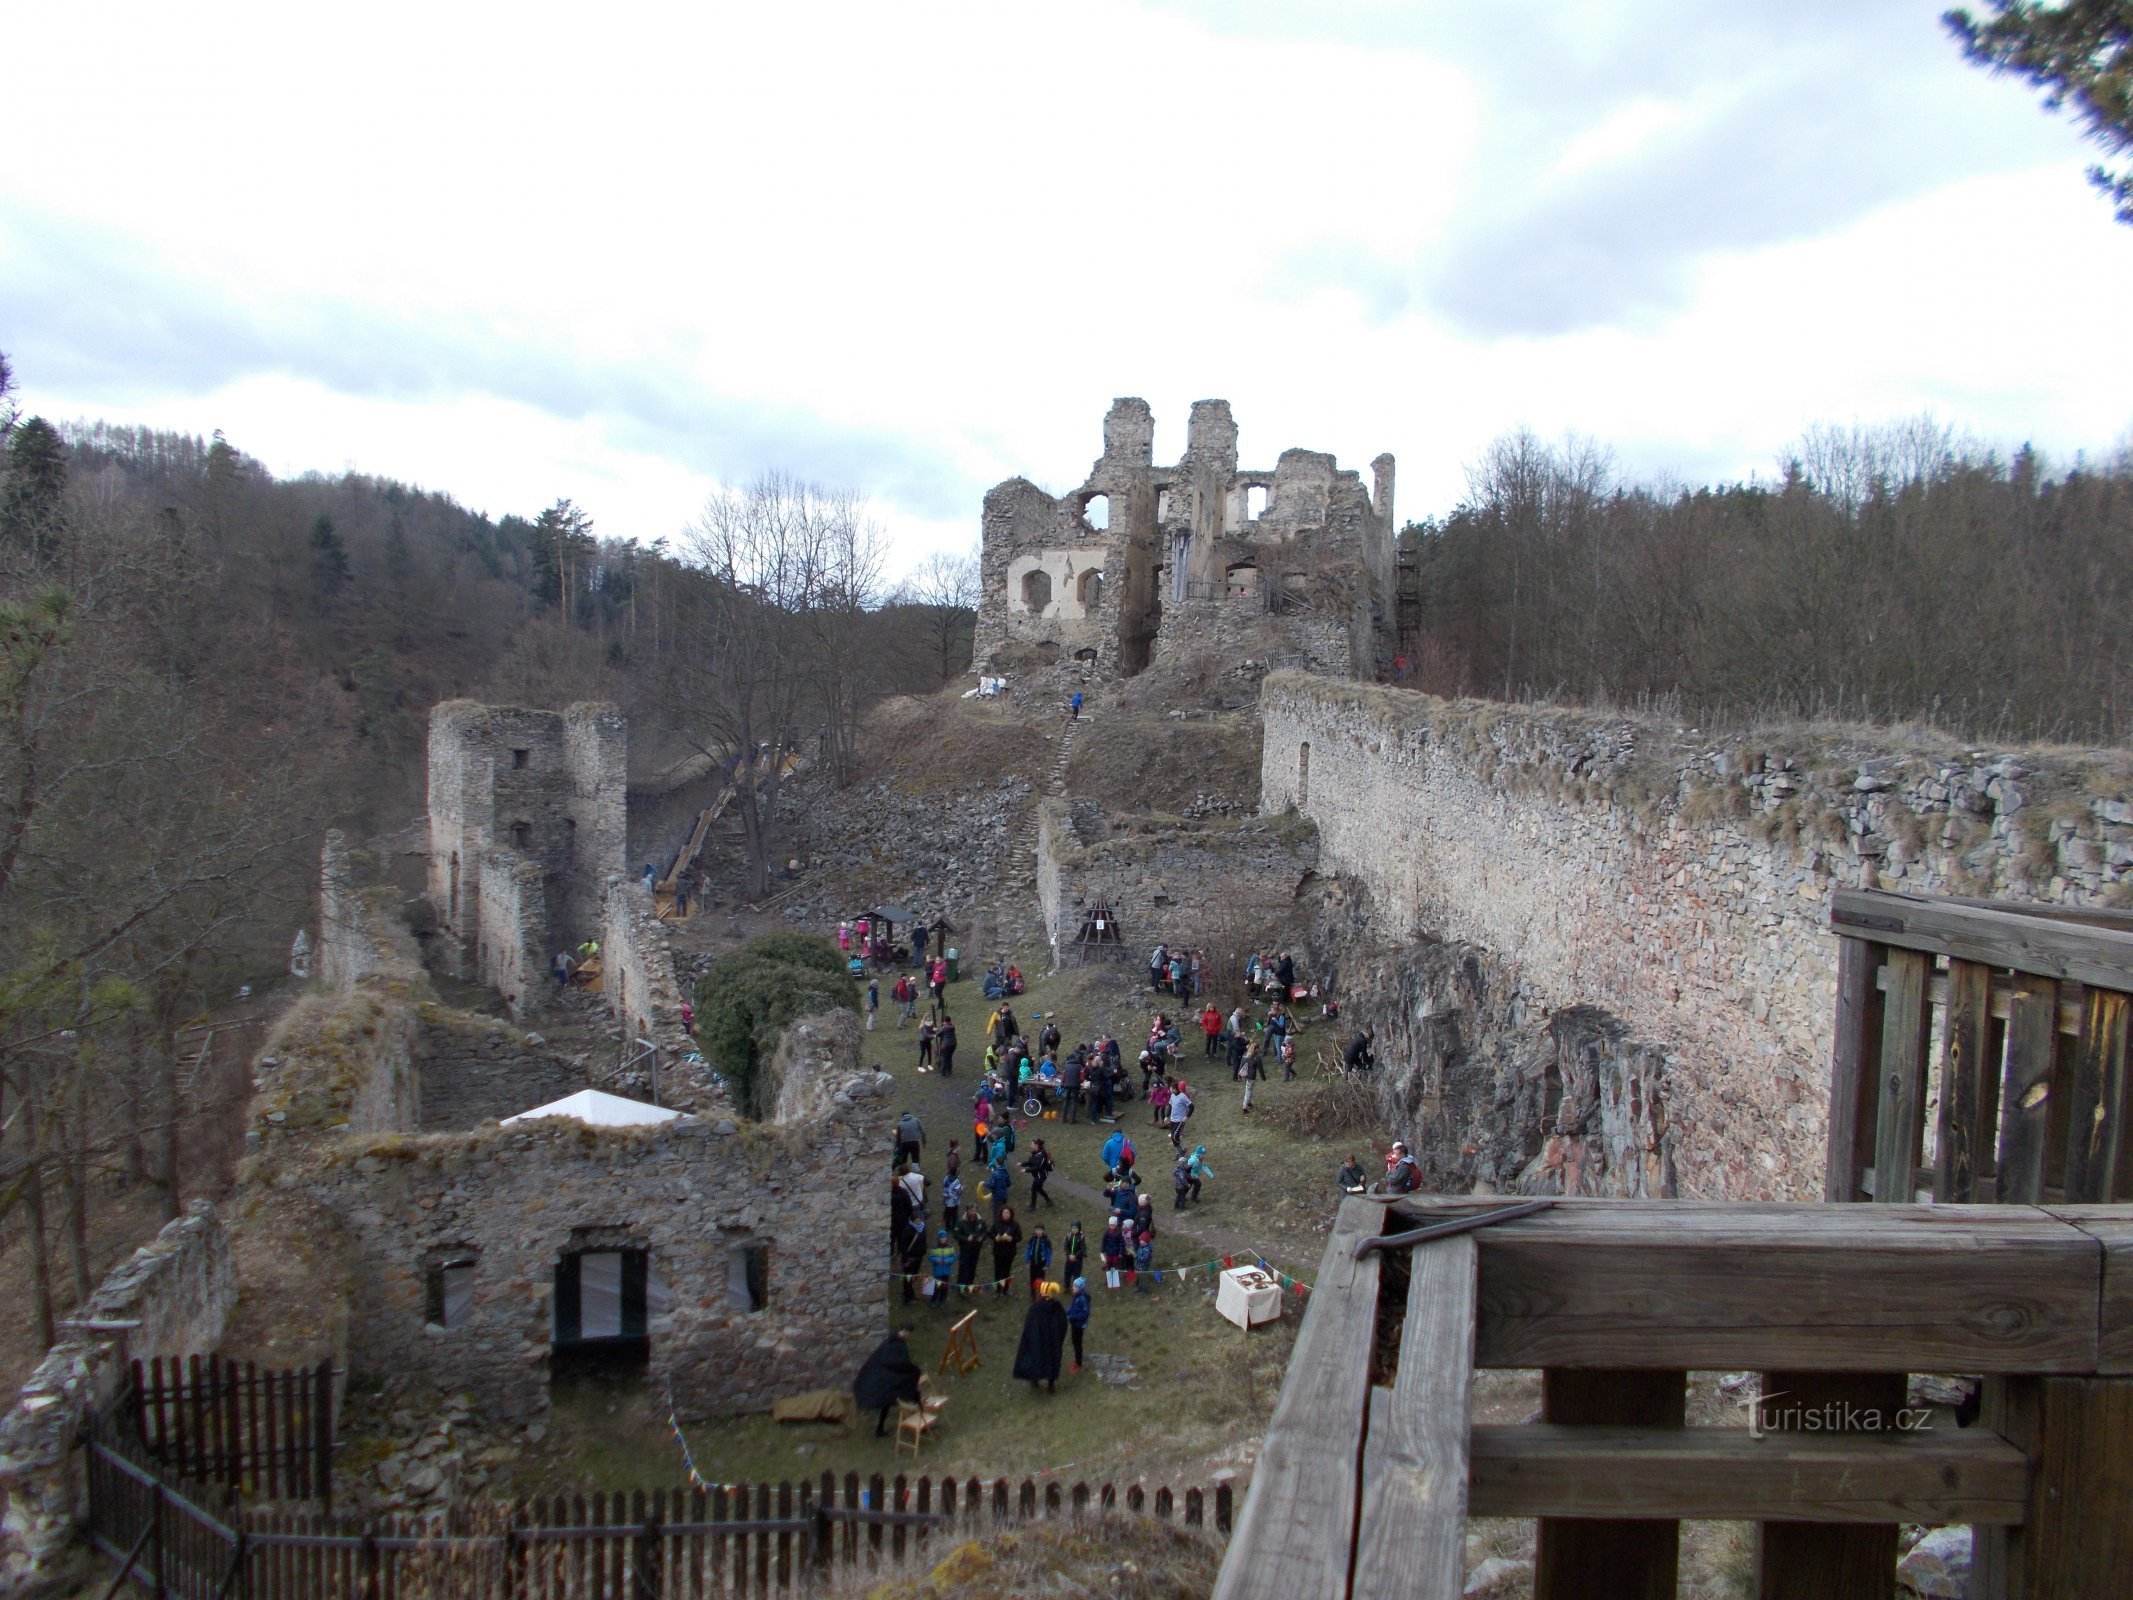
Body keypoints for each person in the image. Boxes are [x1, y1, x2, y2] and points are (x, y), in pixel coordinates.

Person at [853, 1327, 923, 1436]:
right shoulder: (896, 1344)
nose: (908, 1335)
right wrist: (914, 1370)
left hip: (886, 1378)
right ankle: (921, 1422)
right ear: (904, 1331)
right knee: (911, 1393)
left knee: (887, 1402)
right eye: (907, 1332)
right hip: (888, 1378)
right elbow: (899, 1363)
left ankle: (880, 1429)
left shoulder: (890, 1342)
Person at [1012, 1280, 1069, 1392]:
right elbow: (1063, 1323)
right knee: (1052, 1360)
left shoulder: (1035, 1308)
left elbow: (1029, 1325)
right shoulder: (1057, 1307)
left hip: (1038, 1341)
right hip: (1053, 1341)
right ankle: (1051, 1385)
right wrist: (1058, 1337)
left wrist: (1029, 1338)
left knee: (1036, 1358)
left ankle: (1035, 1380)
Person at [991, 1206, 1023, 1294]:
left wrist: (1011, 1238)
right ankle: (997, 1289)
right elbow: (991, 1233)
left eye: (1007, 1213)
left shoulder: (1015, 1224)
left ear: (1011, 1214)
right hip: (998, 1251)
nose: (1005, 1214)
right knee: (998, 1271)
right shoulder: (997, 1223)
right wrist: (995, 1238)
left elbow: (1019, 1237)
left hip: (1009, 1252)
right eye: (1004, 1213)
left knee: (1006, 1271)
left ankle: (1006, 1289)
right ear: (1001, 1214)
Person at [954, 1205, 986, 1288]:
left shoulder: (980, 1221)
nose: (972, 1213)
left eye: (974, 1211)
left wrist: (982, 1237)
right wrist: (966, 1239)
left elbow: (985, 1231)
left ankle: (969, 1284)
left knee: (972, 1267)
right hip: (965, 1249)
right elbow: (956, 1235)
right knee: (963, 1267)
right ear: (967, 1211)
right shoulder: (961, 1221)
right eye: (970, 1211)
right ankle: (961, 1286)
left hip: (976, 1248)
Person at [1065, 1277, 1091, 1370]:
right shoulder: (1076, 1297)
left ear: (1080, 1288)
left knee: (1077, 1343)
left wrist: (1072, 1317)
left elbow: (1085, 1313)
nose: (1073, 1288)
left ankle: (1078, 1362)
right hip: (1075, 1323)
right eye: (1073, 1286)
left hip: (1079, 1325)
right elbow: (1073, 1308)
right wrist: (1067, 1312)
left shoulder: (1082, 1299)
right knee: (1074, 1341)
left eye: (1075, 1287)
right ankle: (1077, 1359)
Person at [927, 1230, 957, 1308]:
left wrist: (949, 1261)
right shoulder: (935, 1248)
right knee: (936, 1287)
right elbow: (930, 1257)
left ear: (946, 1239)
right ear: (939, 1239)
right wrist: (936, 1260)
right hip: (937, 1271)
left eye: (944, 1239)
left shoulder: (950, 1248)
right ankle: (933, 1300)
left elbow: (954, 1257)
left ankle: (942, 1301)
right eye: (941, 1239)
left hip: (946, 1272)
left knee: (944, 1287)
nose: (943, 1240)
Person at [1022, 1139, 1055, 1207]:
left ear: (1036, 1146)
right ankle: (1049, 1201)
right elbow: (1030, 1162)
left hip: (1041, 1176)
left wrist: (1026, 1170)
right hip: (1038, 1175)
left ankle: (1032, 1206)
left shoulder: (1040, 1155)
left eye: (1032, 1144)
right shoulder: (1035, 1154)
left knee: (1034, 1189)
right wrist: (1022, 1164)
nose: (1030, 1146)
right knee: (1039, 1188)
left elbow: (1037, 1167)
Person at [1024, 1222, 1053, 1298]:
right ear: (1035, 1231)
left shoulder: (1046, 1241)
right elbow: (1028, 1249)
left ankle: (1040, 1293)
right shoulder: (1032, 1239)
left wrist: (1047, 1264)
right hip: (1033, 1262)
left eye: (1040, 1230)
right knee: (1032, 1278)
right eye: (1037, 1230)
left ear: (1043, 1231)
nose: (1038, 1232)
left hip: (1042, 1263)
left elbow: (1049, 1253)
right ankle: (1033, 1293)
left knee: (1041, 1279)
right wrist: (1027, 1260)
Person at [1062, 1220, 1087, 1289]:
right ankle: (1066, 1286)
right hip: (1069, 1259)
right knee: (1067, 1273)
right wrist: (1069, 1255)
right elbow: (1066, 1246)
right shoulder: (1069, 1235)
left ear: (1079, 1228)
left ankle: (1076, 1288)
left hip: (1078, 1260)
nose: (1074, 1230)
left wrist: (1075, 1256)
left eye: (1076, 1228)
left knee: (1076, 1275)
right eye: (1073, 1228)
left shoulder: (1082, 1237)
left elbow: (1082, 1249)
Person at [1168, 1081, 1193, 1149]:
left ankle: (1181, 1151)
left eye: (1171, 1088)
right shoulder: (1172, 1096)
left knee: (1174, 1137)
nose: (1169, 1089)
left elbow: (1191, 1106)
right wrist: (1167, 1116)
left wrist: (1187, 1116)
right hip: (1172, 1119)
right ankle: (1180, 1151)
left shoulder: (1182, 1096)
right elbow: (1170, 1105)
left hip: (1180, 1120)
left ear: (1175, 1089)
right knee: (1173, 1137)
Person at [940, 1169, 964, 1234]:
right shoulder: (956, 1181)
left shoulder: (946, 1178)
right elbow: (958, 1192)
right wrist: (962, 1188)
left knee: (947, 1214)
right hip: (953, 1202)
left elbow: (944, 1188)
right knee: (954, 1215)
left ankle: (947, 1226)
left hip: (947, 1200)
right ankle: (953, 1226)